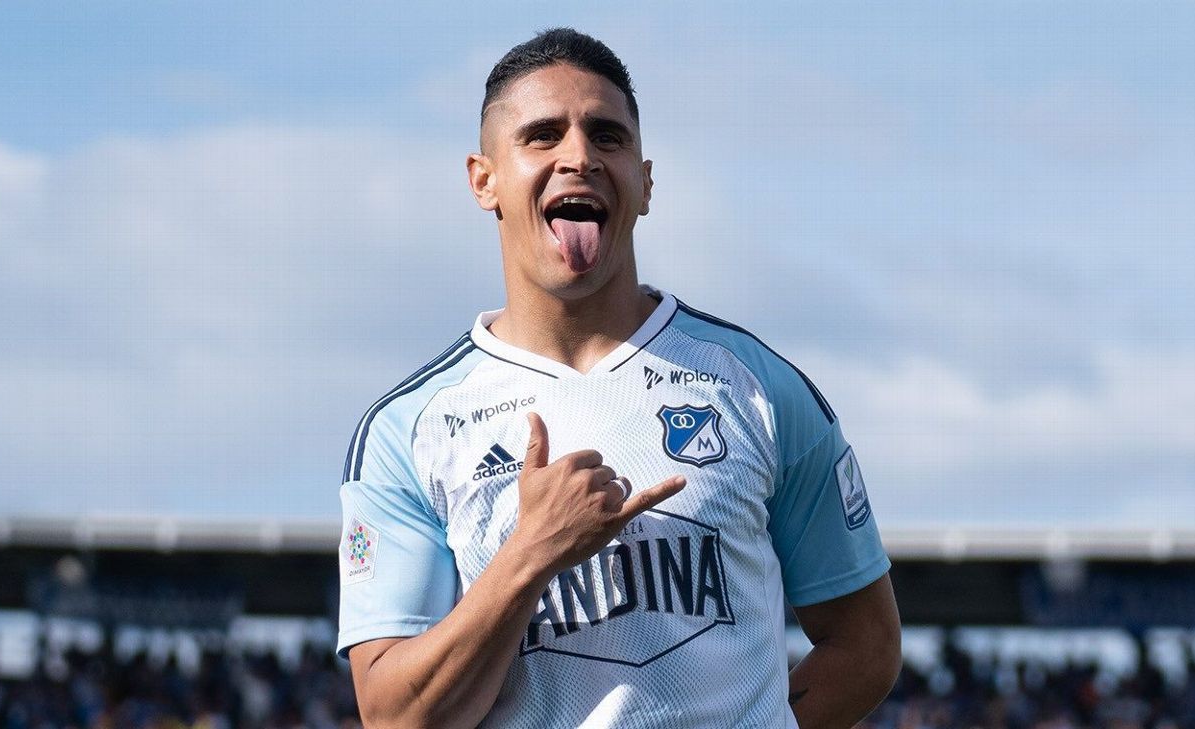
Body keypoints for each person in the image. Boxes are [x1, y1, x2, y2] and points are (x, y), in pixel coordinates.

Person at [337, 27, 901, 728]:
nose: (579, 156)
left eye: (607, 137)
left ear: (645, 182)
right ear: (485, 179)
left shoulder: (760, 389)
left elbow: (867, 645)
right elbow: (394, 716)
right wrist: (531, 553)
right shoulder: (409, 429)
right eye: (543, 135)